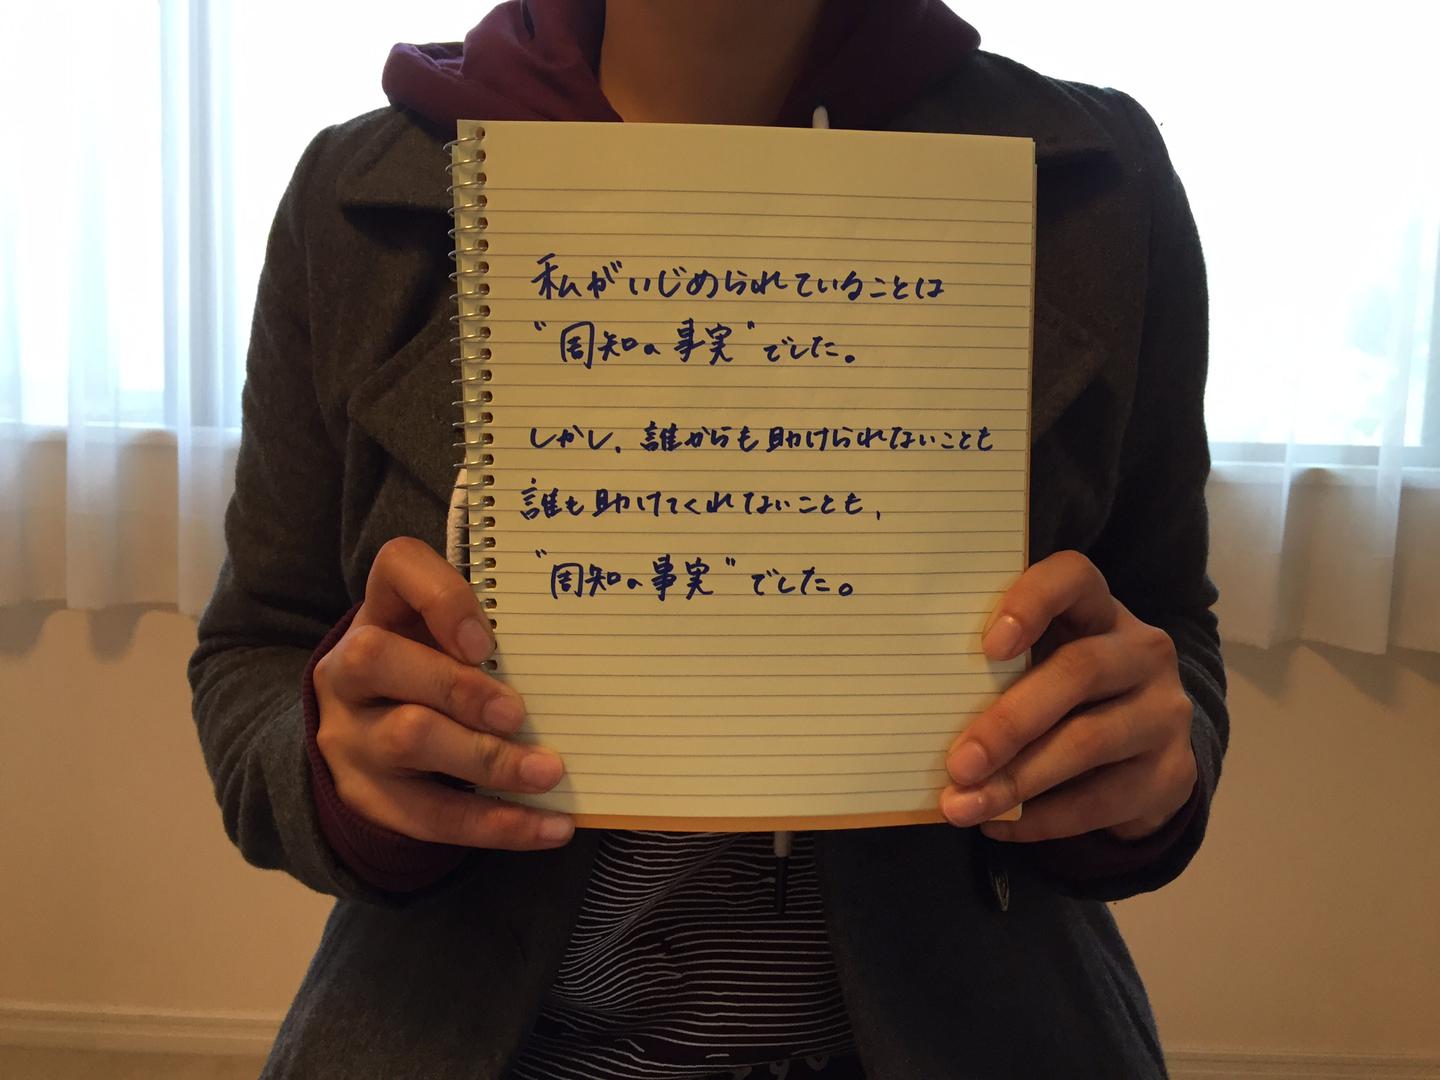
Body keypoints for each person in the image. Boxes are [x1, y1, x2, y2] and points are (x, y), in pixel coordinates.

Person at [188, 1, 1228, 1077]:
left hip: (980, 1029)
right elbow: (254, 655)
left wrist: (1141, 769)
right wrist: (343, 770)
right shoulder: (359, 202)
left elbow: (1169, 637)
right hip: (464, 1033)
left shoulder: (1096, 187)